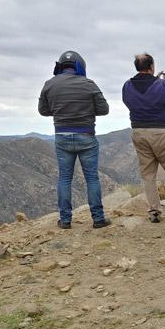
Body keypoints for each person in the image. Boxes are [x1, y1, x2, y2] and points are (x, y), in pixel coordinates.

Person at [38, 50, 111, 229]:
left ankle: (65, 220)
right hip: (86, 135)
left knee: (64, 179)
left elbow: (43, 110)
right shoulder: (88, 84)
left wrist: (60, 110)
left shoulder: (49, 84)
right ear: (80, 65)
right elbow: (104, 109)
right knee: (92, 178)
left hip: (62, 136)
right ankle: (98, 219)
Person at [122, 53, 165, 223]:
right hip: (160, 131)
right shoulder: (162, 85)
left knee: (148, 175)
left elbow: (129, 101)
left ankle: (154, 212)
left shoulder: (127, 86)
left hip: (138, 132)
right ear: (151, 66)